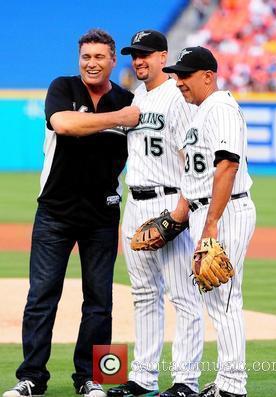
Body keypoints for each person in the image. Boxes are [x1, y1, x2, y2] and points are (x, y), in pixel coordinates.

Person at [3, 28, 139, 397]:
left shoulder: (128, 99)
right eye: (86, 57)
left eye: (99, 57)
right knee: (42, 298)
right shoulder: (62, 87)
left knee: (101, 302)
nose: (91, 63)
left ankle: (92, 379)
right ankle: (31, 378)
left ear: (113, 60)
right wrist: (119, 119)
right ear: (78, 60)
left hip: (103, 214)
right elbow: (64, 124)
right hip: (55, 211)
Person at [107, 30, 204, 397]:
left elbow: (194, 163)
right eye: (135, 54)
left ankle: (185, 381)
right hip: (135, 203)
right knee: (144, 294)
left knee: (183, 295)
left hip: (169, 204)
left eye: (146, 54)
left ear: (164, 56)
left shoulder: (177, 99)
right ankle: (143, 378)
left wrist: (180, 214)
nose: (139, 60)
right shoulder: (135, 98)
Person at [162, 46, 256, 397]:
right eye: (176, 75)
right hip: (209, 210)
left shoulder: (222, 108)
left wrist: (212, 223)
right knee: (218, 300)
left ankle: (233, 387)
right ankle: (227, 382)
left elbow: (228, 164)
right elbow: (197, 175)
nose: (178, 81)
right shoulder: (202, 112)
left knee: (225, 300)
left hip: (225, 209)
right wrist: (181, 217)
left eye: (184, 75)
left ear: (208, 76)